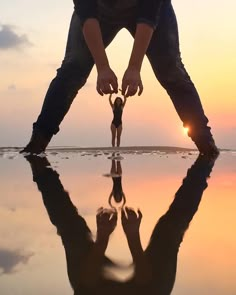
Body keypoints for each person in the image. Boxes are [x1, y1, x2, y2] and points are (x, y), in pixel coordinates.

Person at [21, 0, 219, 156]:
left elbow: (149, 14)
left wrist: (134, 67)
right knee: (73, 68)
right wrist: (102, 66)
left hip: (150, 7)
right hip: (99, 9)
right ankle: (37, 144)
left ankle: (206, 145)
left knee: (171, 72)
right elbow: (86, 12)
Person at [25, 152, 218, 294]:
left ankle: (42, 174)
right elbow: (146, 283)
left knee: (71, 233)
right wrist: (133, 236)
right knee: (169, 234)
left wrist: (102, 239)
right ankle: (202, 169)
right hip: (154, 287)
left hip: (89, 286)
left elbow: (87, 280)